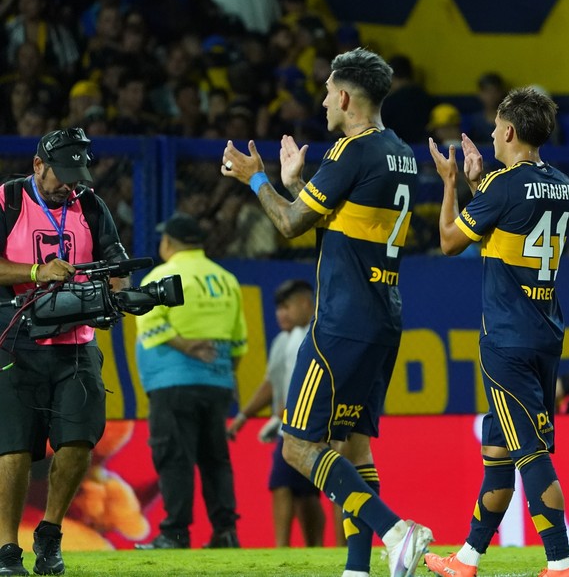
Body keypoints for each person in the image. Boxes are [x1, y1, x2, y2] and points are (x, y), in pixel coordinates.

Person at [221, 47, 432, 577]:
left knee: (297, 447)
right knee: (352, 446)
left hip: (343, 318)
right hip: (383, 316)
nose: (321, 103)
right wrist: (296, 184)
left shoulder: (350, 150)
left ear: (344, 97)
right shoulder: (399, 151)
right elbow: (340, 219)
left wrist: (256, 178)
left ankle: (396, 531)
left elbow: (290, 224)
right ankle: (358, 569)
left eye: (327, 93)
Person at [423, 87, 569, 577]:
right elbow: (508, 227)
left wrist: (451, 183)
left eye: (494, 127)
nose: (491, 134)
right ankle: (467, 559)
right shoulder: (562, 185)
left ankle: (560, 564)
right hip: (544, 330)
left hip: (507, 337)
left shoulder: (503, 185)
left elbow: (450, 241)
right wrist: (479, 185)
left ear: (509, 131)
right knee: (498, 454)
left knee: (530, 452)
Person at [0, 128, 129, 576]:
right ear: (38, 165)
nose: (70, 185)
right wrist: (38, 271)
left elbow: (116, 264)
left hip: (76, 343)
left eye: (77, 176)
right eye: (62, 175)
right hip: (16, 341)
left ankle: (50, 533)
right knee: (13, 447)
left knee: (78, 441)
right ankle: (7, 549)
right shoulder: (8, 200)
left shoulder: (90, 205)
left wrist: (117, 294)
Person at [133, 213, 247, 551]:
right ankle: (225, 532)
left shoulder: (161, 276)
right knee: (215, 458)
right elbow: (239, 340)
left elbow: (148, 323)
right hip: (218, 383)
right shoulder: (226, 279)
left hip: (172, 383)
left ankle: (175, 533)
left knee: (174, 456)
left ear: (168, 242)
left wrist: (185, 346)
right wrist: (223, 371)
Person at [226, 279, 325, 548]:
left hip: (311, 423)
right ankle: (312, 548)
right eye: (278, 309)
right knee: (302, 492)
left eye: (286, 307)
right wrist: (243, 417)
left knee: (283, 484)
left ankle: (284, 546)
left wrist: (284, 413)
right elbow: (271, 383)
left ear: (306, 304)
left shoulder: (318, 336)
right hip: (289, 425)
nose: (281, 314)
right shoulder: (283, 341)